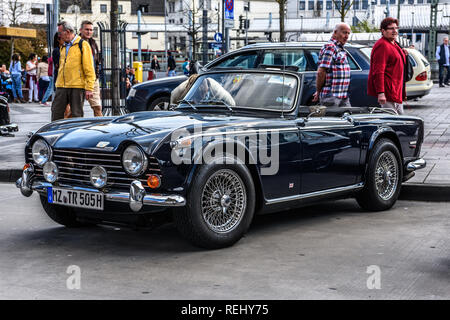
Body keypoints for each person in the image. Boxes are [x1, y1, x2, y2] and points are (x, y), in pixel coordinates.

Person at [51, 21, 95, 121]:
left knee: (77, 115)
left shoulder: (82, 45)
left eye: (60, 33)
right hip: (61, 86)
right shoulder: (63, 46)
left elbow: (89, 68)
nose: (59, 35)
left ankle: (76, 136)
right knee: (56, 112)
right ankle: (54, 134)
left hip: (77, 86)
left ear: (67, 31)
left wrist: (89, 88)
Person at [368, 17, 407, 115]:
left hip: (396, 90)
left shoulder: (393, 43)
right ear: (383, 30)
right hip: (388, 91)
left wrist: (403, 53)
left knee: (401, 120)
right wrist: (381, 93)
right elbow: (378, 71)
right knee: (393, 121)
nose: (394, 31)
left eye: (396, 28)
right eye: (391, 28)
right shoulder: (382, 45)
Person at [312, 23, 352, 108]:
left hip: (343, 95)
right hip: (331, 96)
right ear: (335, 32)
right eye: (344, 32)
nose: (347, 36)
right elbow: (321, 71)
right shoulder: (330, 47)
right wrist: (318, 91)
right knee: (331, 119)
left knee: (346, 119)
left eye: (348, 33)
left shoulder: (340, 48)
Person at [79, 20, 103, 117]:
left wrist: (96, 76)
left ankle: (101, 128)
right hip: (79, 80)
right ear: (81, 30)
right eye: (86, 29)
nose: (89, 32)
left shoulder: (93, 43)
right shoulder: (77, 43)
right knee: (74, 110)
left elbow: (97, 62)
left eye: (91, 30)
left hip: (93, 79)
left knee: (97, 107)